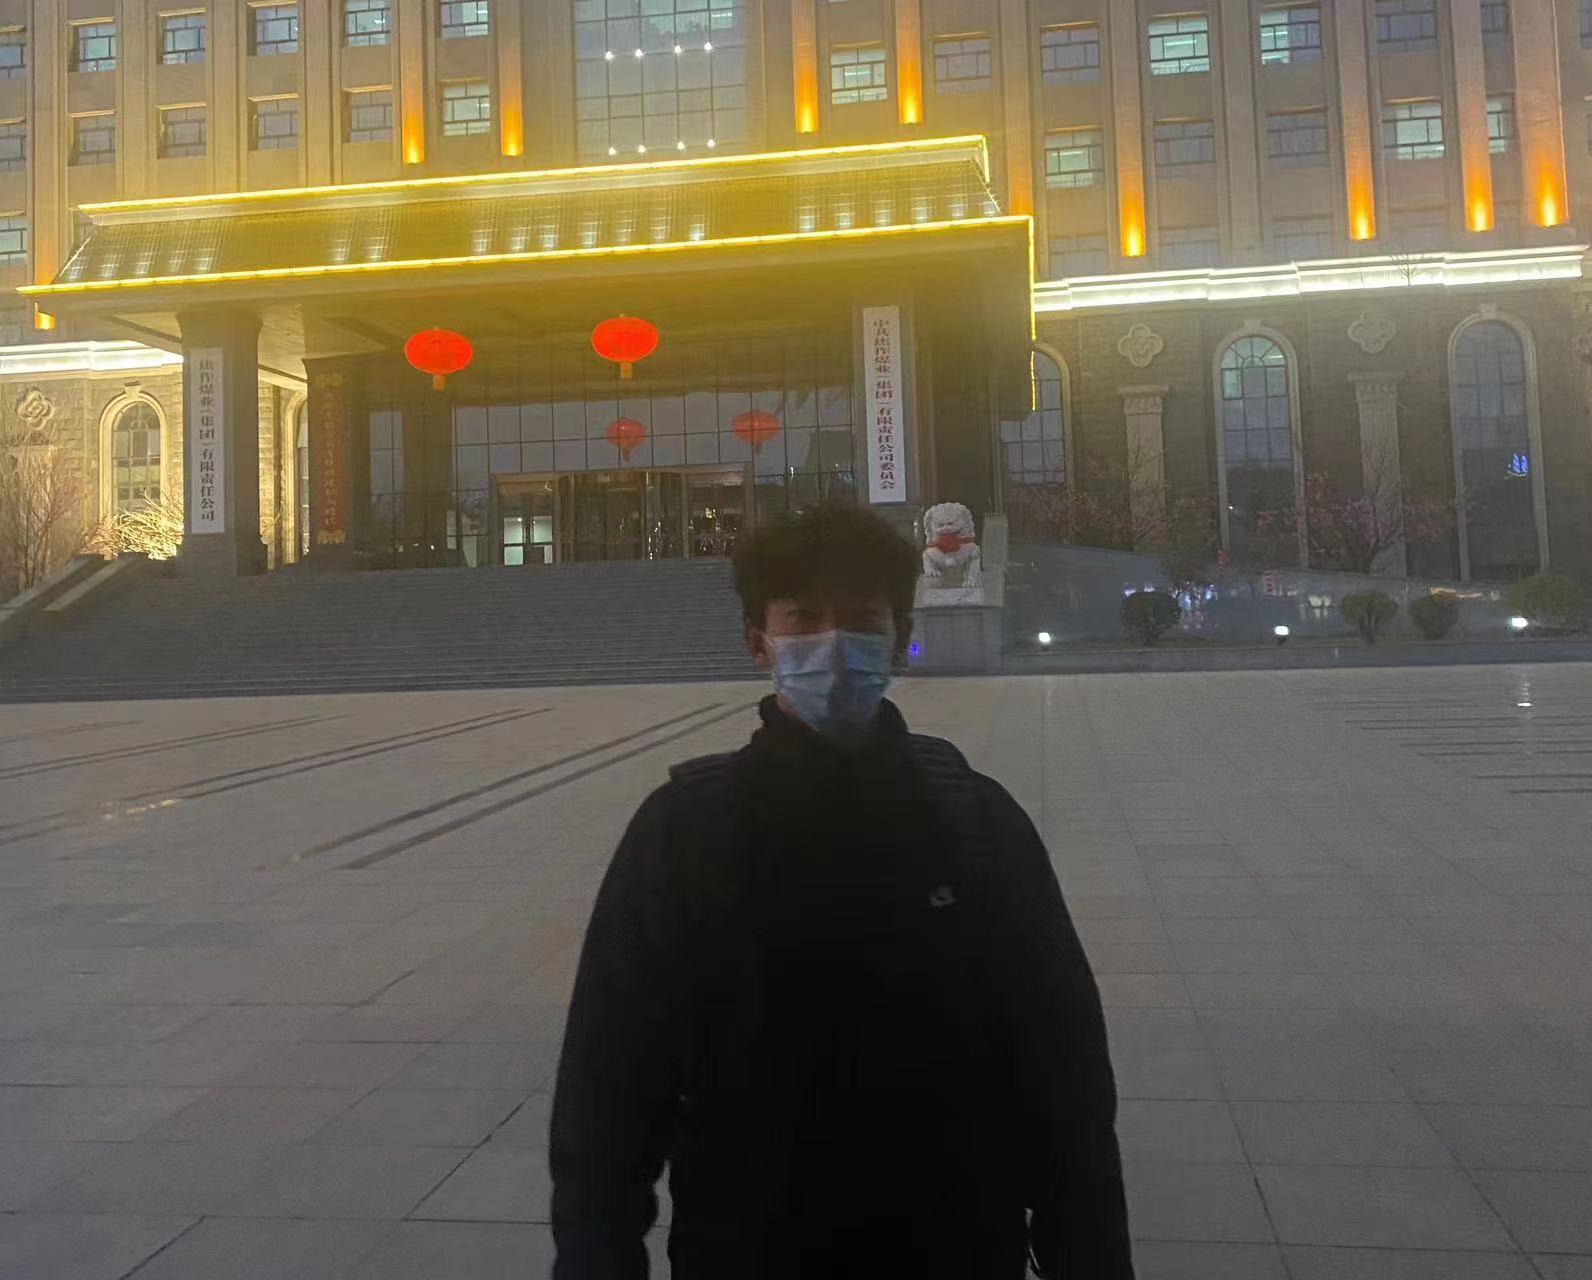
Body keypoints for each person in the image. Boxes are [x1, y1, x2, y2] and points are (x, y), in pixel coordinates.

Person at [549, 503, 1133, 1280]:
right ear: (758, 641)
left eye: (862, 620)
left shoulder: (973, 820)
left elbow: (1065, 1076)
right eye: (804, 618)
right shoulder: (686, 831)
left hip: (954, 1244)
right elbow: (610, 1083)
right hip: (748, 1248)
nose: (833, 643)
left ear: (898, 638)